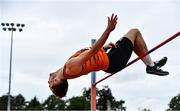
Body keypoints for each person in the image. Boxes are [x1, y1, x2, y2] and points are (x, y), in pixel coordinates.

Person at [48, 14, 169, 98]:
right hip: (113, 61)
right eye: (50, 84)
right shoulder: (70, 67)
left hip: (108, 56)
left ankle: (151, 65)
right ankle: (151, 66)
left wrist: (104, 48)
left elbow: (91, 57)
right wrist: (108, 30)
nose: (48, 81)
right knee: (134, 32)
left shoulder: (65, 69)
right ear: (56, 80)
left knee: (133, 40)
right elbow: (91, 52)